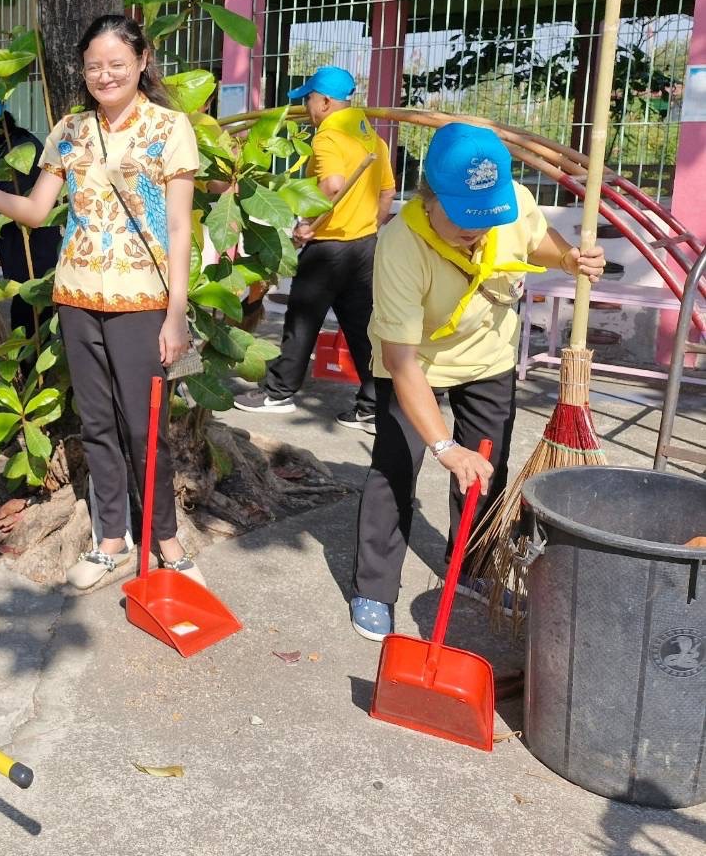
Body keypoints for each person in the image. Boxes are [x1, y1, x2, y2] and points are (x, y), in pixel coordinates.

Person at [0, 14, 204, 592]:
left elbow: (179, 228)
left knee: (145, 427)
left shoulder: (169, 128)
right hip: (76, 296)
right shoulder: (70, 129)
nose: (105, 74)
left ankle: (167, 541)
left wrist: (176, 313)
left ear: (143, 62)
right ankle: (110, 540)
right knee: (98, 423)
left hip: (143, 303)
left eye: (117, 64)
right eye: (94, 65)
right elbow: (35, 210)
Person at [348, 122, 604, 641]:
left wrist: (571, 257)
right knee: (397, 466)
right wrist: (443, 445)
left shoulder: (511, 203)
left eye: (488, 216)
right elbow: (401, 361)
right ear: (430, 196)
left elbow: (539, 241)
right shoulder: (399, 246)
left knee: (488, 468)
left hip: (488, 357)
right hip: (415, 359)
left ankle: (471, 567)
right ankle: (374, 588)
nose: (479, 229)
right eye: (466, 217)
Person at [234, 65, 395, 431]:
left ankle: (278, 392)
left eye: (309, 98)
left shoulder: (328, 137)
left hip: (329, 247)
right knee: (360, 326)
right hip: (364, 246)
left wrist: (307, 223)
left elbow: (333, 184)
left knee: (302, 319)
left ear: (324, 101)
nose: (307, 106)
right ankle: (372, 404)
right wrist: (369, 225)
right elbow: (387, 192)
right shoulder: (373, 138)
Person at [0, 101, 61, 338]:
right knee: (27, 318)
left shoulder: (20, 152)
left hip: (34, 257)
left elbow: (5, 206)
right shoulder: (12, 147)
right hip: (24, 256)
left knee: (29, 322)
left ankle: (30, 371)